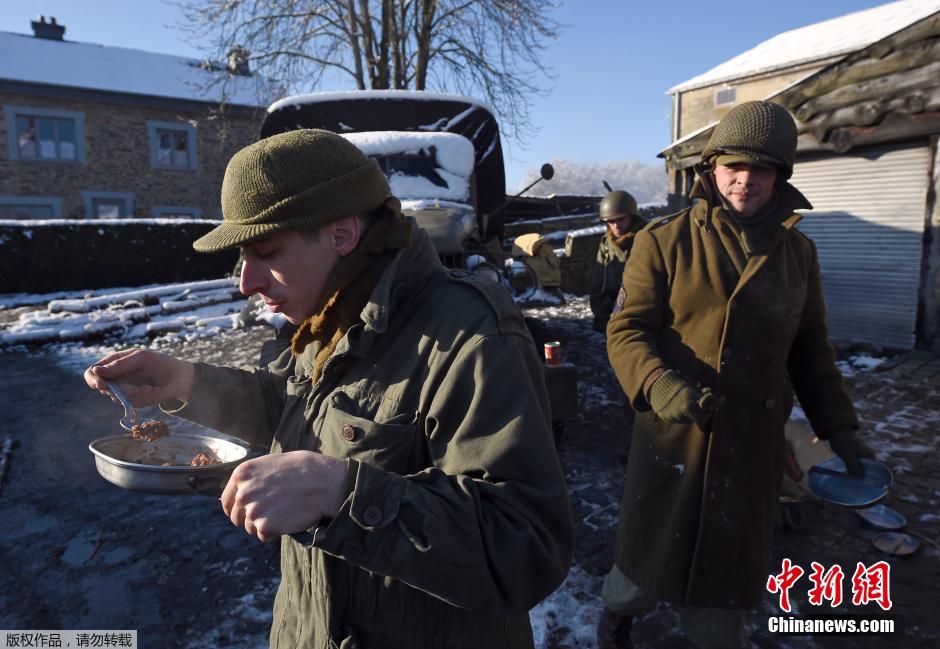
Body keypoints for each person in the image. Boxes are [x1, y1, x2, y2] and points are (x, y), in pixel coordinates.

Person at [84, 129, 573, 649]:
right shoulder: (329, 310)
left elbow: (525, 547)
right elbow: (289, 405)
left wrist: (339, 491)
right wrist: (183, 381)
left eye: (266, 252)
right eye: (242, 258)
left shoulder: (470, 335)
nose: (246, 283)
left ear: (341, 235)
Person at [597, 101, 875, 648]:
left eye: (761, 168)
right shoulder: (664, 241)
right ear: (712, 167)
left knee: (722, 588)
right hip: (677, 436)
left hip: (753, 445)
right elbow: (625, 330)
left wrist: (839, 428)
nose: (746, 179)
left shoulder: (799, 254)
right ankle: (616, 618)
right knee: (644, 563)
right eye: (734, 165)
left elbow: (811, 351)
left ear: (780, 176)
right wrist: (657, 383)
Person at [589, 189, 645, 332]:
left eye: (621, 219)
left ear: (631, 217)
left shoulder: (646, 240)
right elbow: (598, 284)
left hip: (641, 314)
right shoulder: (606, 245)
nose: (616, 226)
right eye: (611, 221)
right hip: (612, 314)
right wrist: (602, 315)